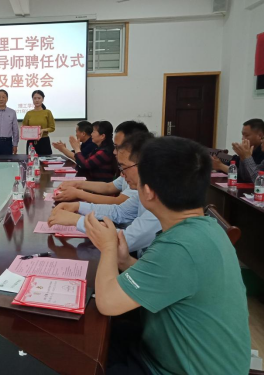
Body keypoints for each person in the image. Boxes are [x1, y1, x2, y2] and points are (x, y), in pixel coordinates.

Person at [84, 136, 250, 374]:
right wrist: (124, 260)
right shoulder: (202, 228)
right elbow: (167, 278)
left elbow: (107, 303)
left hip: (177, 368)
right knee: (91, 338)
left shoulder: (181, 247)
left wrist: (108, 248)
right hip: (168, 348)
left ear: (148, 191)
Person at [49, 132, 161, 255]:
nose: (122, 174)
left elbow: (125, 241)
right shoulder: (144, 190)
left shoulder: (161, 200)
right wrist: (78, 206)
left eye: (123, 167)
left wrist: (77, 220)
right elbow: (119, 211)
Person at [55, 121, 149, 205]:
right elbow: (108, 187)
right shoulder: (128, 171)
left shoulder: (140, 176)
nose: (114, 152)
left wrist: (78, 193)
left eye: (118, 147)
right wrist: (77, 184)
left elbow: (118, 204)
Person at [236, 124, 264, 190]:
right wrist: (242, 157)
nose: (261, 141)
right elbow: (247, 177)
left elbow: (260, 182)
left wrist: (248, 157)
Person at [23, 90, 56, 156]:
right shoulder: (29, 113)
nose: (37, 100)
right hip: (31, 142)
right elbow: (24, 127)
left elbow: (52, 128)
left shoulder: (47, 112)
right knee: (31, 160)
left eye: (39, 98)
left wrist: (43, 130)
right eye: (35, 98)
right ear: (32, 99)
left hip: (44, 141)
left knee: (45, 161)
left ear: (42, 99)